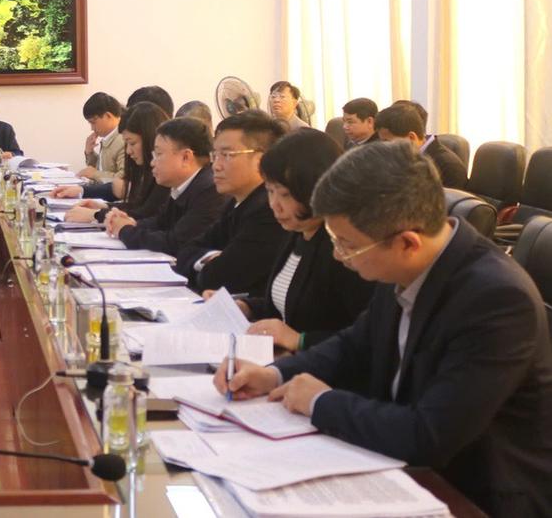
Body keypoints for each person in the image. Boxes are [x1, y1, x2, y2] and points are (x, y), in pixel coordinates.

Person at [216, 141, 552, 515]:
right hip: (401, 469)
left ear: (407, 243)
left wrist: (321, 401)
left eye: (347, 245)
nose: (339, 256)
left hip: (475, 495)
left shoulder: (495, 300)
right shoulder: (406, 265)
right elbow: (355, 345)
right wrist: (274, 374)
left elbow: (430, 435)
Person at [221, 129, 374, 351]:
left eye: (285, 194)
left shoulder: (343, 247)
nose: (274, 204)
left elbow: (365, 337)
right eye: (270, 191)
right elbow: (289, 302)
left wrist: (300, 339)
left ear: (315, 189)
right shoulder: (297, 232)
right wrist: (247, 306)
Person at [176, 111, 288, 296]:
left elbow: (216, 279)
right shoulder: (236, 202)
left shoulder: (269, 210)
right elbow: (185, 251)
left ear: (261, 160)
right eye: (215, 155)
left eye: (227, 155)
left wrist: (208, 264)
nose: (216, 165)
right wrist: (210, 258)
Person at [105, 117, 228, 255]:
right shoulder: (182, 186)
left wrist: (124, 230)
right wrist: (131, 222)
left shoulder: (210, 191)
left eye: (158, 154)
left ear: (186, 157)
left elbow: (175, 243)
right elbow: (160, 222)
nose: (152, 162)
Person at [60, 101, 170, 221]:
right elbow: (138, 206)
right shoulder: (142, 167)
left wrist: (97, 215)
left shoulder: (165, 175)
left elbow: (147, 216)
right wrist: (104, 207)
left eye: (132, 143)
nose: (128, 151)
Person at [374, 104, 468, 189]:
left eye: (388, 142)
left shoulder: (449, 167)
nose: (385, 147)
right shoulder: (401, 159)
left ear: (411, 137)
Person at [75, 93, 125, 184]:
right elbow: (102, 168)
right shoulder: (109, 137)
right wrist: (90, 153)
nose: (92, 128)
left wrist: (94, 174)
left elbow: (123, 179)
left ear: (108, 116)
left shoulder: (123, 139)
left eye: (93, 122)